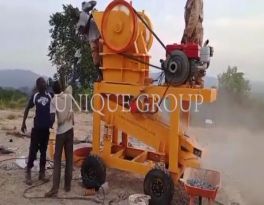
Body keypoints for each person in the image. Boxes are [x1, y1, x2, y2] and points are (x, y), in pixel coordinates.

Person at [21, 77, 53, 185]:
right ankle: (28, 172)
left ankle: (42, 174)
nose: (45, 83)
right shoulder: (35, 96)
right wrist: (23, 122)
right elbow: (27, 108)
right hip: (36, 129)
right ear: (39, 85)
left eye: (45, 82)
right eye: (42, 82)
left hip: (46, 129)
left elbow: (58, 99)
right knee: (33, 151)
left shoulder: (49, 95)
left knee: (43, 152)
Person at [45, 81, 74, 197]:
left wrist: (49, 125)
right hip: (70, 130)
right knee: (69, 159)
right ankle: (67, 186)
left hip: (61, 132)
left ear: (53, 90)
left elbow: (52, 118)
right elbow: (70, 87)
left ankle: (54, 188)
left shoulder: (53, 100)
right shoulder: (68, 96)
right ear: (61, 88)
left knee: (57, 160)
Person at [76, 1, 103, 81]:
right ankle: (100, 75)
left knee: (104, 57)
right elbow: (82, 30)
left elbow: (95, 2)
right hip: (92, 40)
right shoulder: (83, 16)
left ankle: (106, 75)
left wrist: (92, 15)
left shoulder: (93, 14)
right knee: (96, 59)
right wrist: (90, 18)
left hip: (99, 38)